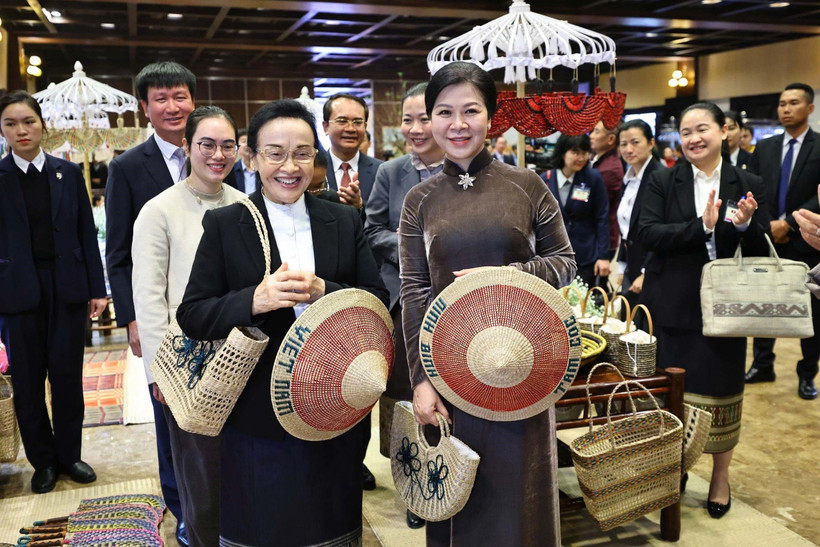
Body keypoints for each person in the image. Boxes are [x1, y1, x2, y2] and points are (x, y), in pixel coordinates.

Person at [176, 99, 388, 546]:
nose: (289, 166)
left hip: (335, 405)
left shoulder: (344, 219)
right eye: (274, 153)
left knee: (332, 522)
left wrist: (324, 291)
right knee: (264, 524)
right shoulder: (226, 223)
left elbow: (379, 302)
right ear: (251, 156)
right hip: (256, 415)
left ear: (317, 156)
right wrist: (255, 299)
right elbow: (192, 314)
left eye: (303, 153)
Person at [400, 62, 576, 545]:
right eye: (445, 112)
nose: (458, 124)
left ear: (492, 117)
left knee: (519, 491)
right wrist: (420, 379)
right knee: (457, 492)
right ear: (431, 119)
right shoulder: (419, 199)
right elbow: (414, 290)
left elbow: (564, 262)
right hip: (448, 369)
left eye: (471, 111)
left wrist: (504, 278)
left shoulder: (528, 185)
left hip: (521, 363)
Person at [638, 102, 770, 519]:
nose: (693, 138)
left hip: (727, 308)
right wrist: (704, 226)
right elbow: (647, 233)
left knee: (724, 393)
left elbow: (760, 249)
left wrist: (746, 225)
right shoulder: (662, 180)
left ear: (724, 131)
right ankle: (671, 469)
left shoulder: (747, 181)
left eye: (702, 129)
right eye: (686, 131)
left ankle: (719, 477)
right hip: (674, 305)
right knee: (672, 395)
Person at [132, 106, 245, 547]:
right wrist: (160, 372)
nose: (217, 154)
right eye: (207, 144)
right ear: (187, 147)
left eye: (227, 145)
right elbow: (149, 298)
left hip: (239, 353)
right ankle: (197, 531)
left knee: (236, 458)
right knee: (196, 463)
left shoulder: (244, 205)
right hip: (184, 361)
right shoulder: (158, 211)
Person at [105, 60, 199, 544]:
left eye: (179, 96)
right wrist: (134, 319)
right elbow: (117, 254)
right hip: (159, 311)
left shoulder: (214, 155)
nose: (172, 106)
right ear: (145, 107)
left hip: (213, 308)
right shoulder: (126, 168)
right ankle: (180, 505)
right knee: (168, 411)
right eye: (160, 98)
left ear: (193, 101)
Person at [0, 91, 107, 494]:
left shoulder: (67, 172)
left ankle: (69, 456)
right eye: (11, 123)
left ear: (43, 124)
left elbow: (85, 234)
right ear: (2, 130)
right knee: (27, 382)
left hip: (67, 289)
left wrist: (96, 288)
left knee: (66, 378)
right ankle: (42, 461)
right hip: (15, 292)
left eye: (28, 121)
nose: (21, 130)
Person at [364, 81, 444, 530]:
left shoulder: (464, 170)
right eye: (407, 119)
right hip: (405, 305)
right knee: (406, 399)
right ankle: (415, 487)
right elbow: (371, 230)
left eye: (423, 118)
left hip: (459, 304)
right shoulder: (391, 172)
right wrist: (412, 247)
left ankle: (456, 476)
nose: (415, 128)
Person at [746, 83, 820, 400]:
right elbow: (754, 191)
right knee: (766, 304)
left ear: (810, 108)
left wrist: (788, 223)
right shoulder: (765, 148)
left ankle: (807, 373)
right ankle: (763, 364)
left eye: (793, 103)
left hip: (808, 238)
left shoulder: (819, 145)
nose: (785, 109)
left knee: (813, 312)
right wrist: (768, 224)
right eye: (781, 103)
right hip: (768, 238)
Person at [542, 134, 611, 288]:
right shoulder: (545, 180)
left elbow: (602, 217)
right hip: (553, 257)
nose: (581, 157)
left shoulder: (593, 178)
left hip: (585, 255)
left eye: (584, 153)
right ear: (562, 153)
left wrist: (603, 256)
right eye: (575, 152)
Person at [616, 119, 662, 308]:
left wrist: (646, 271)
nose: (628, 150)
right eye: (623, 144)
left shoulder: (660, 177)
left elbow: (661, 229)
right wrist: (622, 265)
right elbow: (627, 228)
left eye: (635, 143)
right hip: (632, 263)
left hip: (652, 268)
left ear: (651, 143)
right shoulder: (628, 180)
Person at [322, 93, 384, 211]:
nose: (350, 129)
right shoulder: (313, 168)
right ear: (325, 127)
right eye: (342, 121)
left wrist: (359, 206)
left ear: (365, 127)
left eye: (357, 122)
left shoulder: (382, 171)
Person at [590, 120, 625, 256]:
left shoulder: (610, 168)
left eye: (596, 132)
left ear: (611, 139)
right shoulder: (600, 160)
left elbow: (596, 207)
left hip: (602, 238)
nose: (591, 136)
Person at [230, 128, 258, 194]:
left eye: (250, 141)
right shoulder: (232, 170)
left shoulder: (262, 168)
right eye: (244, 141)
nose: (247, 144)